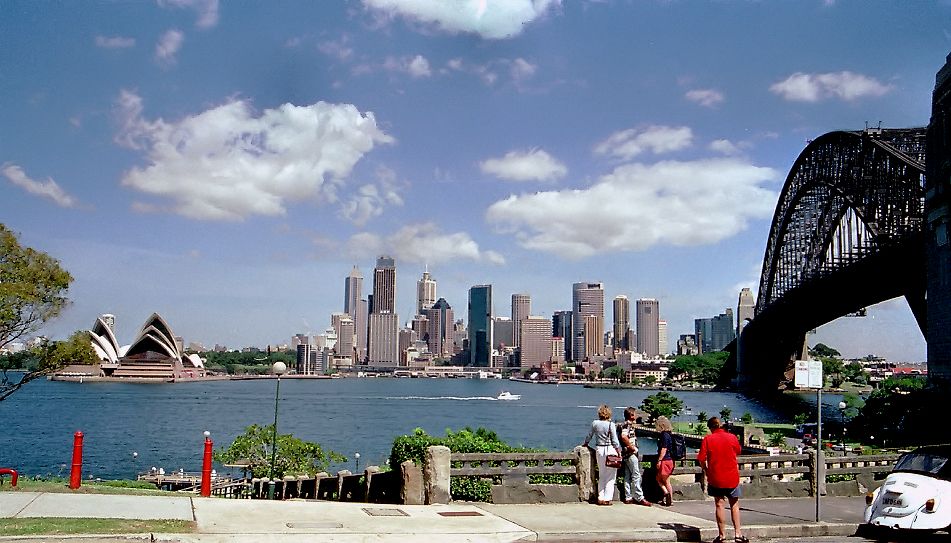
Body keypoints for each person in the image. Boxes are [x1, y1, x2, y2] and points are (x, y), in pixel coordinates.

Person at [696, 416, 746, 543]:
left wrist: (706, 470)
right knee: (734, 505)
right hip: (731, 476)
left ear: (711, 427)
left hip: (715, 477)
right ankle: (738, 534)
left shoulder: (708, 439)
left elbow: (701, 458)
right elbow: (739, 451)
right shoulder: (732, 437)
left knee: (719, 505)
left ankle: (722, 535)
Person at [583, 404, 622, 505]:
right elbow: (615, 441)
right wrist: (618, 451)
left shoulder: (595, 423)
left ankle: (600, 497)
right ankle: (607, 498)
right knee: (611, 476)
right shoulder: (611, 425)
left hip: (599, 449)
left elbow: (589, 435)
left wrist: (586, 443)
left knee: (602, 474)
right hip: (610, 449)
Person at [617, 407, 651, 506]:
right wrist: (631, 447)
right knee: (636, 475)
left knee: (627, 476)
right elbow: (624, 436)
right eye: (634, 414)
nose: (636, 415)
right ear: (631, 415)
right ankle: (639, 497)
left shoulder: (625, 425)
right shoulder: (627, 425)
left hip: (626, 453)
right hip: (630, 453)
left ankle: (628, 496)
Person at [654, 415, 675, 506]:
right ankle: (668, 497)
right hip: (670, 460)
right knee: (665, 480)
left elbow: (664, 449)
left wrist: (659, 460)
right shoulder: (669, 435)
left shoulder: (664, 435)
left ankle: (667, 494)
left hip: (665, 460)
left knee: (661, 480)